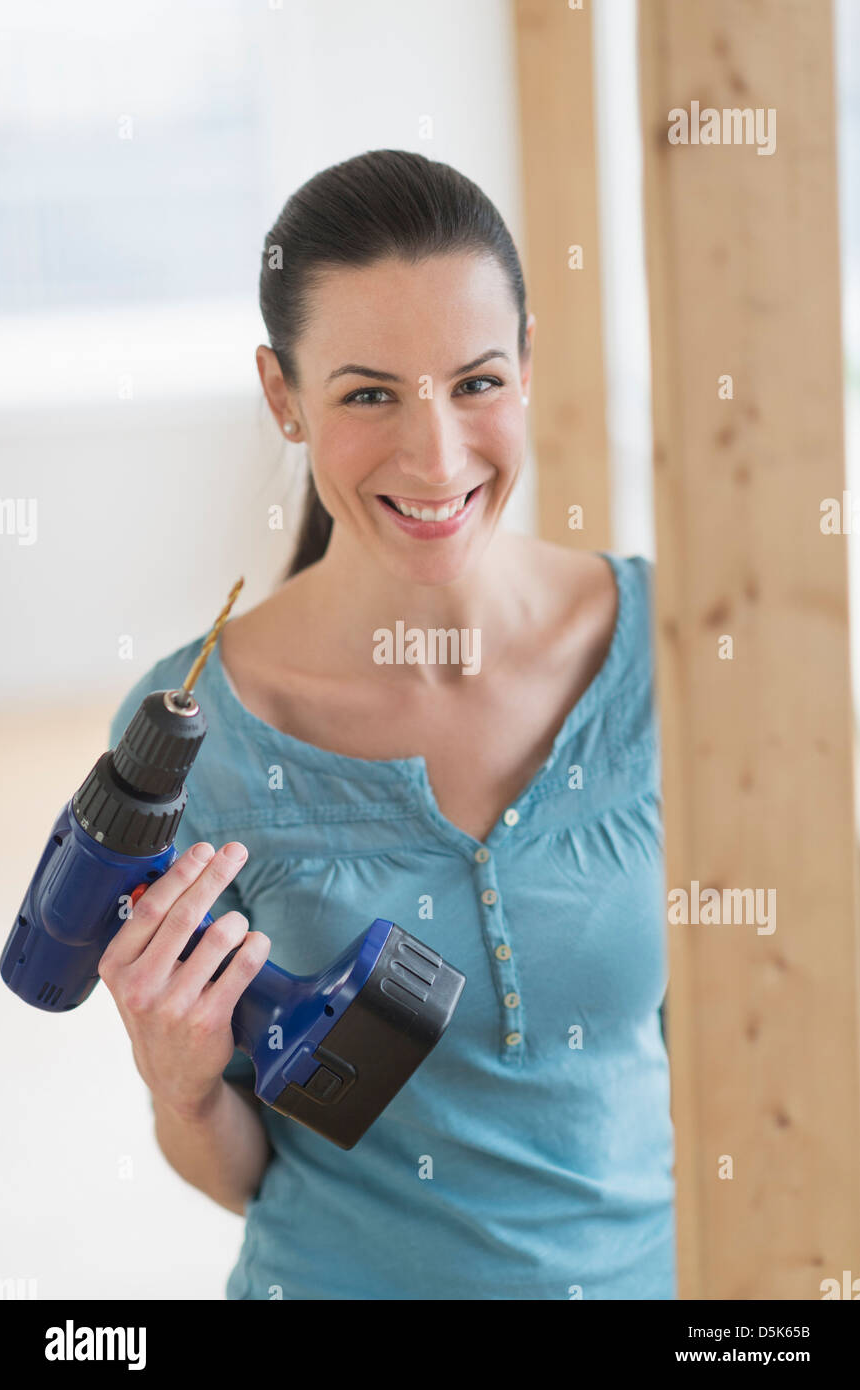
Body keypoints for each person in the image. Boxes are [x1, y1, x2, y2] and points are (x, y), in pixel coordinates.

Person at [105, 148, 675, 1301]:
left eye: (474, 382)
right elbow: (239, 1174)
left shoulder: (668, 652)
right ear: (284, 398)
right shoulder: (193, 732)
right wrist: (183, 1082)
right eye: (368, 393)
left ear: (527, 364)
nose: (436, 456)